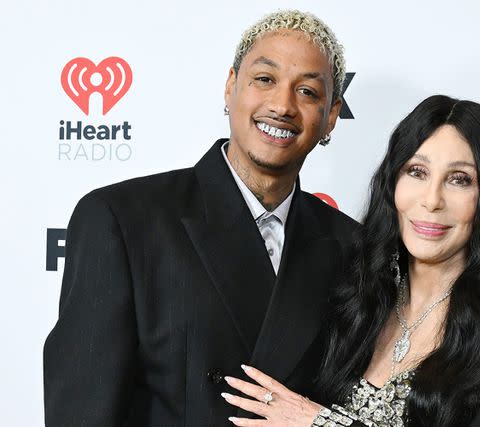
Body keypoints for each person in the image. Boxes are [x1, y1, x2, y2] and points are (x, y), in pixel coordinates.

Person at [43, 10, 358, 426]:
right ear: (231, 87)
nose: (282, 105)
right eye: (264, 79)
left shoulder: (353, 247)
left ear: (331, 114)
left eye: (307, 92)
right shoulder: (122, 219)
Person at [221, 95, 480, 426]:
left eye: (459, 180)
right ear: (392, 182)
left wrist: (318, 423)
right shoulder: (357, 288)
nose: (431, 200)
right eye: (417, 172)